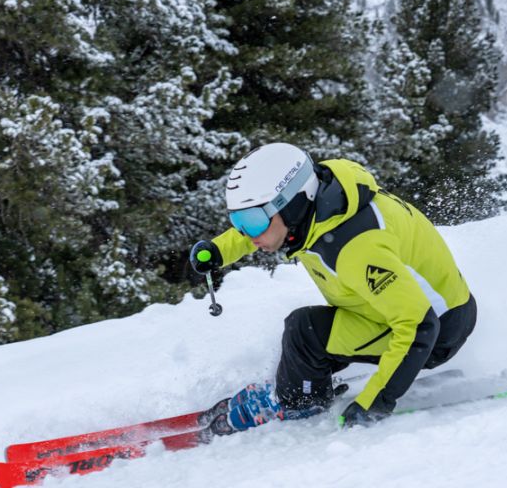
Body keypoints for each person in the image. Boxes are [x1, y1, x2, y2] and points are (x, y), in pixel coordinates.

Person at [189, 143, 477, 430]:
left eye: (252, 222)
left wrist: (376, 401)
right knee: (308, 336)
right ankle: (300, 382)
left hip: (438, 330)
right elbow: (261, 228)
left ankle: (299, 402)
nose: (248, 235)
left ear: (291, 205)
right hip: (387, 308)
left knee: (305, 333)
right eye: (238, 220)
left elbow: (418, 325)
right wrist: (218, 250)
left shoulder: (355, 247)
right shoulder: (317, 210)